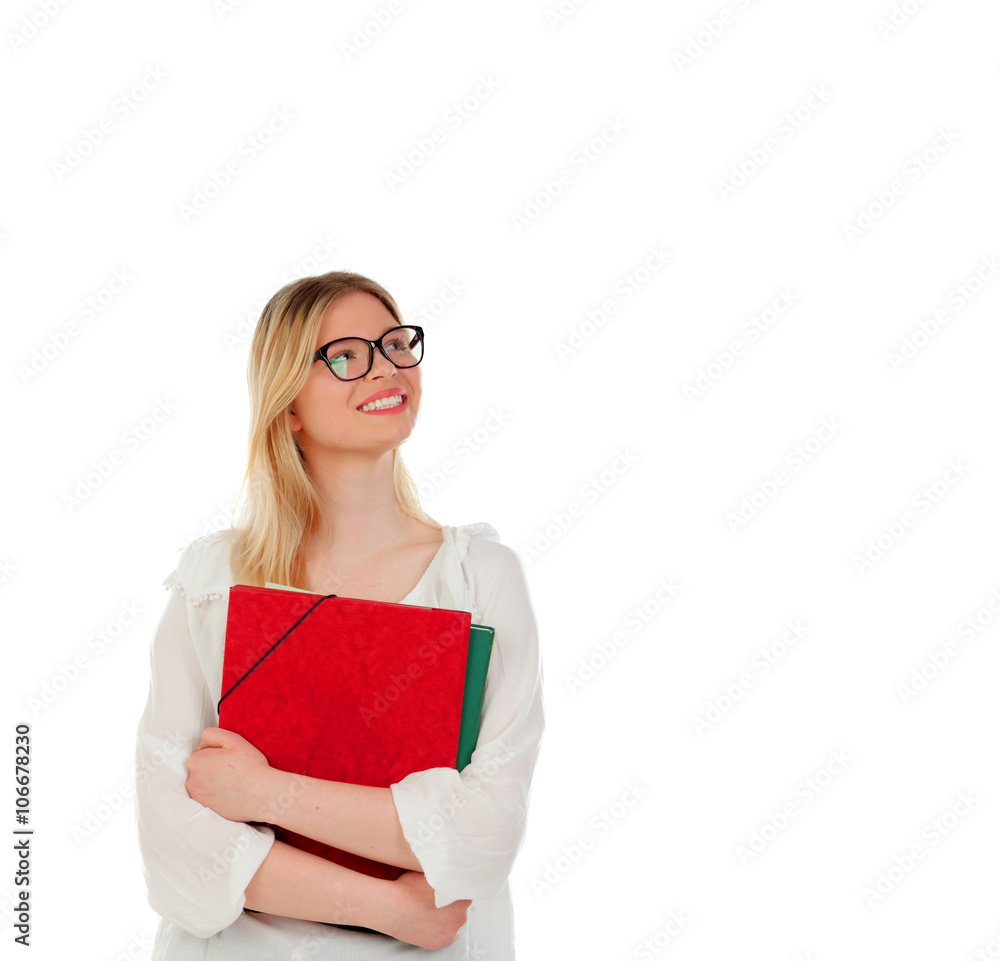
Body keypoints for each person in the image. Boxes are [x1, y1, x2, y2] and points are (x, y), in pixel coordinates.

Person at [134, 270, 546, 958]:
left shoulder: (480, 579)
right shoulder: (215, 584)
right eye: (346, 356)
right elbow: (175, 840)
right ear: (289, 405)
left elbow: (482, 834)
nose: (385, 368)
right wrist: (393, 905)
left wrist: (260, 793)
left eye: (395, 344)